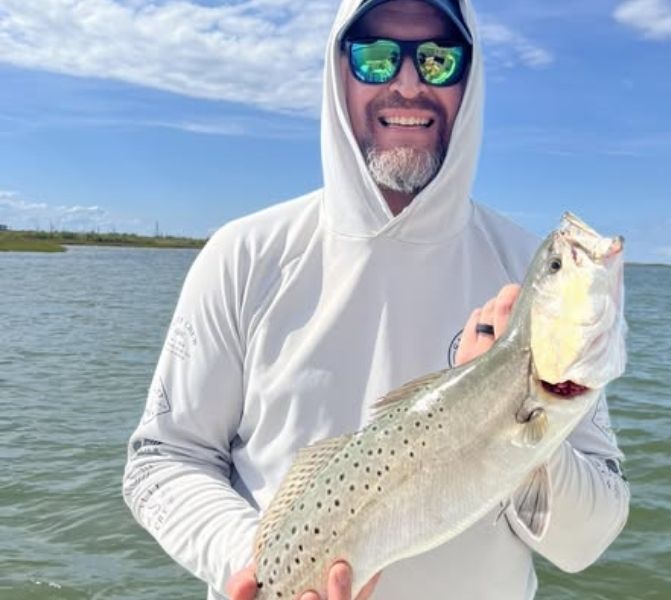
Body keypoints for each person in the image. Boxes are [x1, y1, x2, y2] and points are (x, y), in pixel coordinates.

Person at [122, 1, 630, 599]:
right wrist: (260, 565)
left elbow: (585, 542)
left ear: (472, 80)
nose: (408, 83)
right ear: (338, 71)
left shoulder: (522, 268)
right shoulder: (243, 255)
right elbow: (162, 460)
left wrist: (493, 410)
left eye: (438, 60)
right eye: (376, 56)